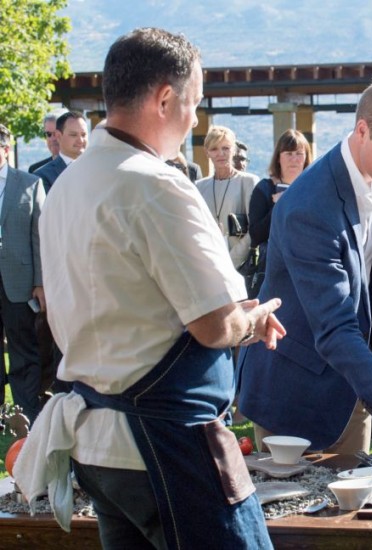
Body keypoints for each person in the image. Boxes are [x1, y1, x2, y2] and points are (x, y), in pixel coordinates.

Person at [15, 27, 284, 549]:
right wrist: (249, 319)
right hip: (162, 442)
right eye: (195, 103)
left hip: (97, 446)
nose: (194, 120)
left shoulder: (67, 184)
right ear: (166, 97)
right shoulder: (155, 184)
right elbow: (212, 325)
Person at [237, 78, 372, 466]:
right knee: (299, 522)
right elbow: (333, 328)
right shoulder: (310, 207)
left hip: (354, 386)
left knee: (356, 517)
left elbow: (354, 278)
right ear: (362, 131)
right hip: (295, 395)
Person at [0, 124, 46, 423]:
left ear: (5, 149)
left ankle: (26, 415)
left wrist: (40, 282)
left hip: (19, 284)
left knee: (23, 352)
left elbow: (39, 236)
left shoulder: (29, 183)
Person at [247, 129, 312, 298]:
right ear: (278, 157)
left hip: (308, 267)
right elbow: (256, 235)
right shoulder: (264, 189)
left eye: (299, 153)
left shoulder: (314, 189)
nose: (294, 159)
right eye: (288, 153)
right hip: (274, 271)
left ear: (306, 157)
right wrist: (279, 207)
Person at [196, 126, 259, 269]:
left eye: (226, 148)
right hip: (207, 265)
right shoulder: (199, 187)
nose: (220, 154)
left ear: (234, 150)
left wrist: (231, 262)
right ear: (207, 152)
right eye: (214, 149)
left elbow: (254, 229)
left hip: (239, 266)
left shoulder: (248, 182)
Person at [33, 110, 88, 192]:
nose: (80, 140)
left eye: (83, 135)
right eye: (73, 135)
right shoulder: (42, 176)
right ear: (59, 135)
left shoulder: (98, 168)